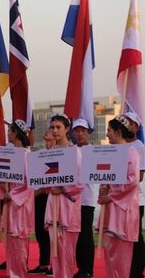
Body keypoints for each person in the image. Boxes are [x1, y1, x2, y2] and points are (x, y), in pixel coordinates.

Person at [99, 115, 141, 278]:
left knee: (121, 256)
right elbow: (105, 176)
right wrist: (104, 187)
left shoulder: (131, 152)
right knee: (110, 254)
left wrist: (110, 197)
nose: (107, 134)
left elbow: (132, 181)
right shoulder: (110, 152)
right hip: (111, 209)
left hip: (123, 211)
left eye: (109, 131)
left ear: (118, 132)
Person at [45, 114, 83, 278]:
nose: (54, 130)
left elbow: (80, 181)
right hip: (53, 204)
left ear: (67, 129)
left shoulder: (74, 152)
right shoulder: (49, 152)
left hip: (68, 205)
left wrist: (63, 189)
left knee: (66, 249)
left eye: (58, 127)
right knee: (55, 249)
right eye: (52, 127)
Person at [1, 120, 34, 278]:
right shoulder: (11, 154)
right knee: (11, 240)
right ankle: (12, 273)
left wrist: (13, 194)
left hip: (21, 204)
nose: (7, 134)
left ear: (16, 133)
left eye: (10, 131)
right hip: (10, 201)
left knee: (19, 239)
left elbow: (29, 183)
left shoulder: (27, 156)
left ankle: (20, 273)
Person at [28, 128, 55, 275]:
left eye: (54, 129)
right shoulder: (38, 154)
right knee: (40, 231)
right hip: (38, 197)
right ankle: (43, 263)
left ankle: (54, 265)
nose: (49, 131)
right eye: (50, 129)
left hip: (51, 197)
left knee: (51, 231)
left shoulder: (61, 153)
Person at [71, 118, 95, 278]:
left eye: (83, 131)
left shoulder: (94, 151)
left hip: (86, 199)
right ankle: (80, 268)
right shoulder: (70, 150)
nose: (80, 134)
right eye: (77, 131)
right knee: (75, 235)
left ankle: (87, 270)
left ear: (88, 133)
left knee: (86, 235)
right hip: (71, 200)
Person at [124, 111, 145, 278]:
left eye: (130, 123)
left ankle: (137, 271)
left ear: (136, 127)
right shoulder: (119, 145)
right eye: (125, 122)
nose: (127, 125)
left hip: (136, 200)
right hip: (119, 200)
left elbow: (139, 176)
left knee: (135, 236)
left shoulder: (139, 147)